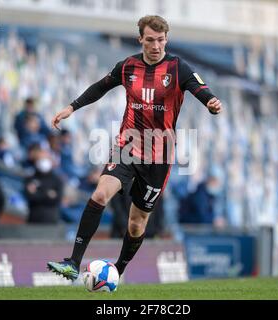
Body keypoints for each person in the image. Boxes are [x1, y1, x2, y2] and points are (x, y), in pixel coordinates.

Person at [47, 15, 222, 281]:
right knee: (100, 195)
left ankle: (118, 269)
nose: (156, 46)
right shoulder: (127, 66)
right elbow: (100, 87)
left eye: (161, 40)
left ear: (166, 39)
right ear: (140, 39)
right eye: (150, 40)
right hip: (127, 146)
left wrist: (211, 103)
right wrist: (71, 107)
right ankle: (73, 262)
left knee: (136, 222)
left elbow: (199, 88)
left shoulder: (178, 68)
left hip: (159, 156)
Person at [24, 151, 63, 224]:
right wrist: (48, 194)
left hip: (51, 221)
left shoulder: (57, 180)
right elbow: (30, 196)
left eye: (45, 158)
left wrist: (37, 192)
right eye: (40, 159)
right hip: (33, 219)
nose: (43, 161)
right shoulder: (30, 178)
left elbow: (57, 199)